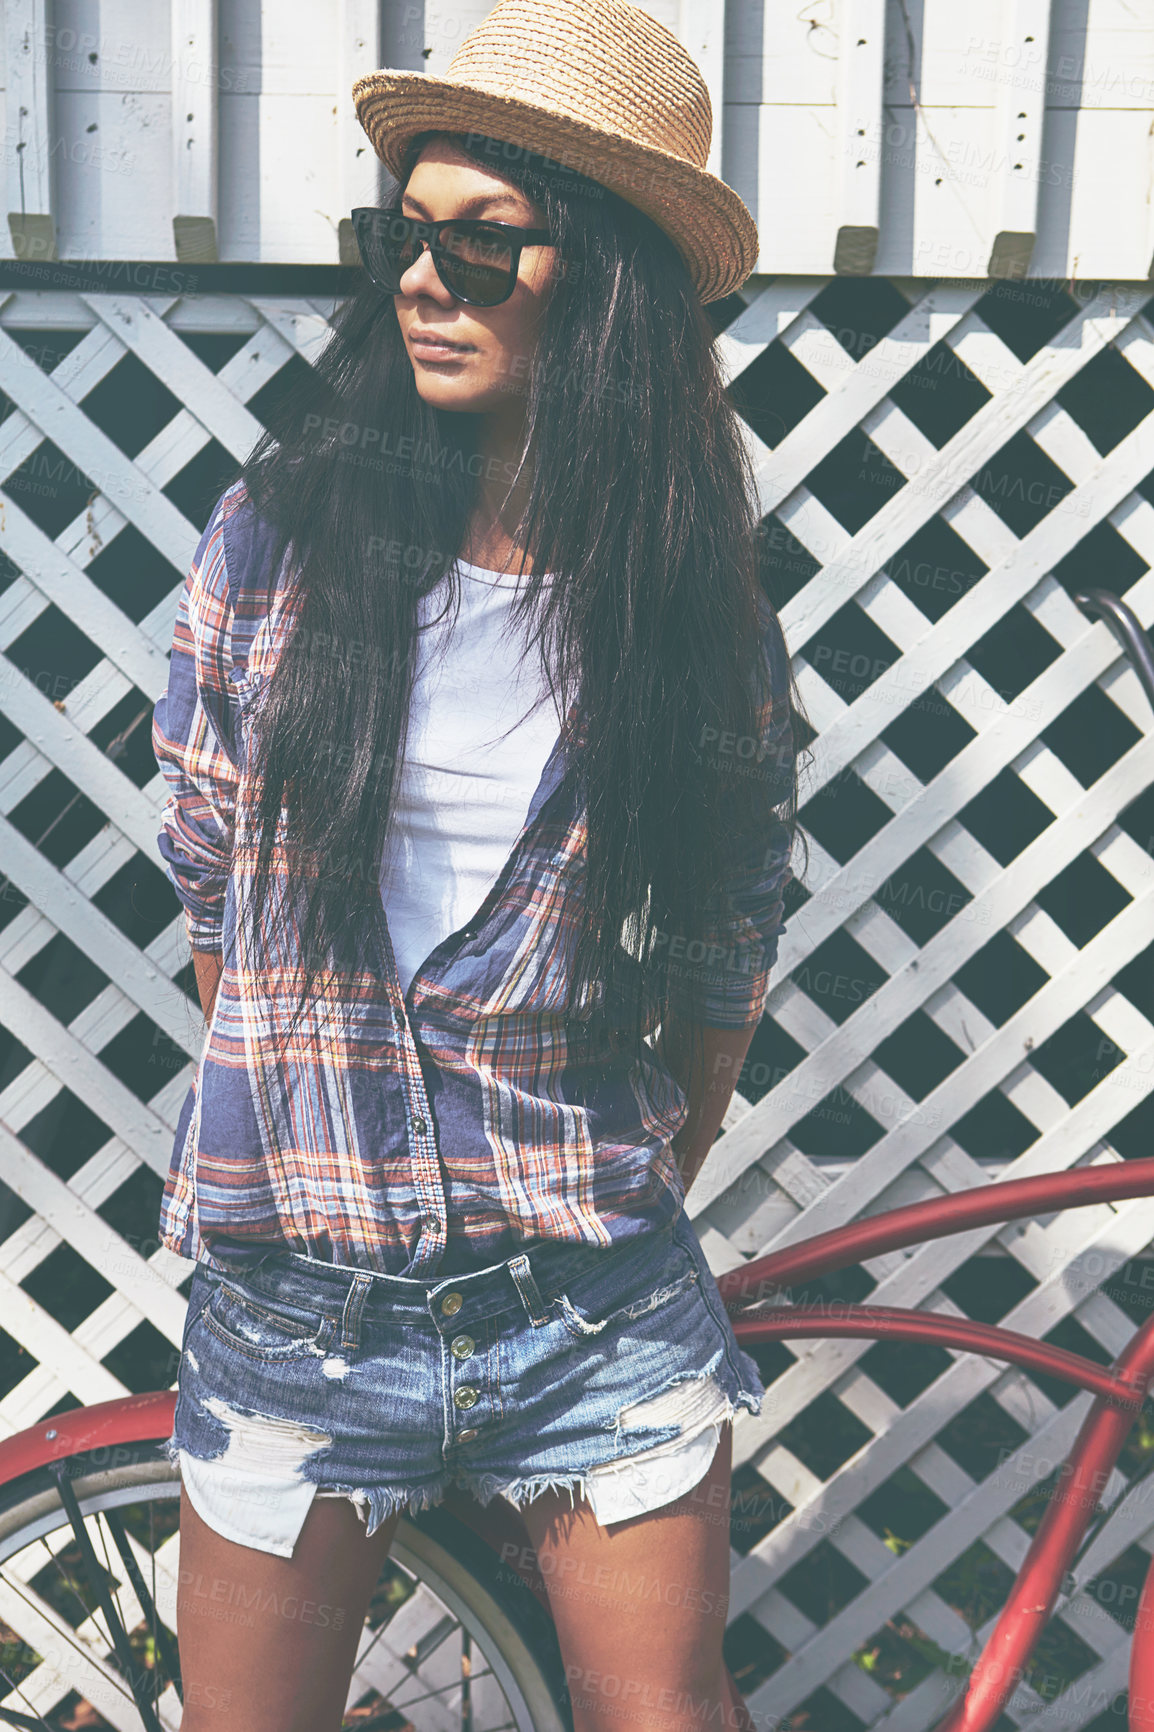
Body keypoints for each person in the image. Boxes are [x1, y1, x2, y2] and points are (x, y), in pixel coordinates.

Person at [151, 0, 801, 1726]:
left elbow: (723, 955)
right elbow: (212, 892)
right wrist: (326, 1141)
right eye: (401, 237)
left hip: (593, 1308)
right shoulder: (281, 549)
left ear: (606, 283)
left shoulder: (690, 618)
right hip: (298, 1308)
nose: (423, 282)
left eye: (481, 242)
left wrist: (610, 1172)